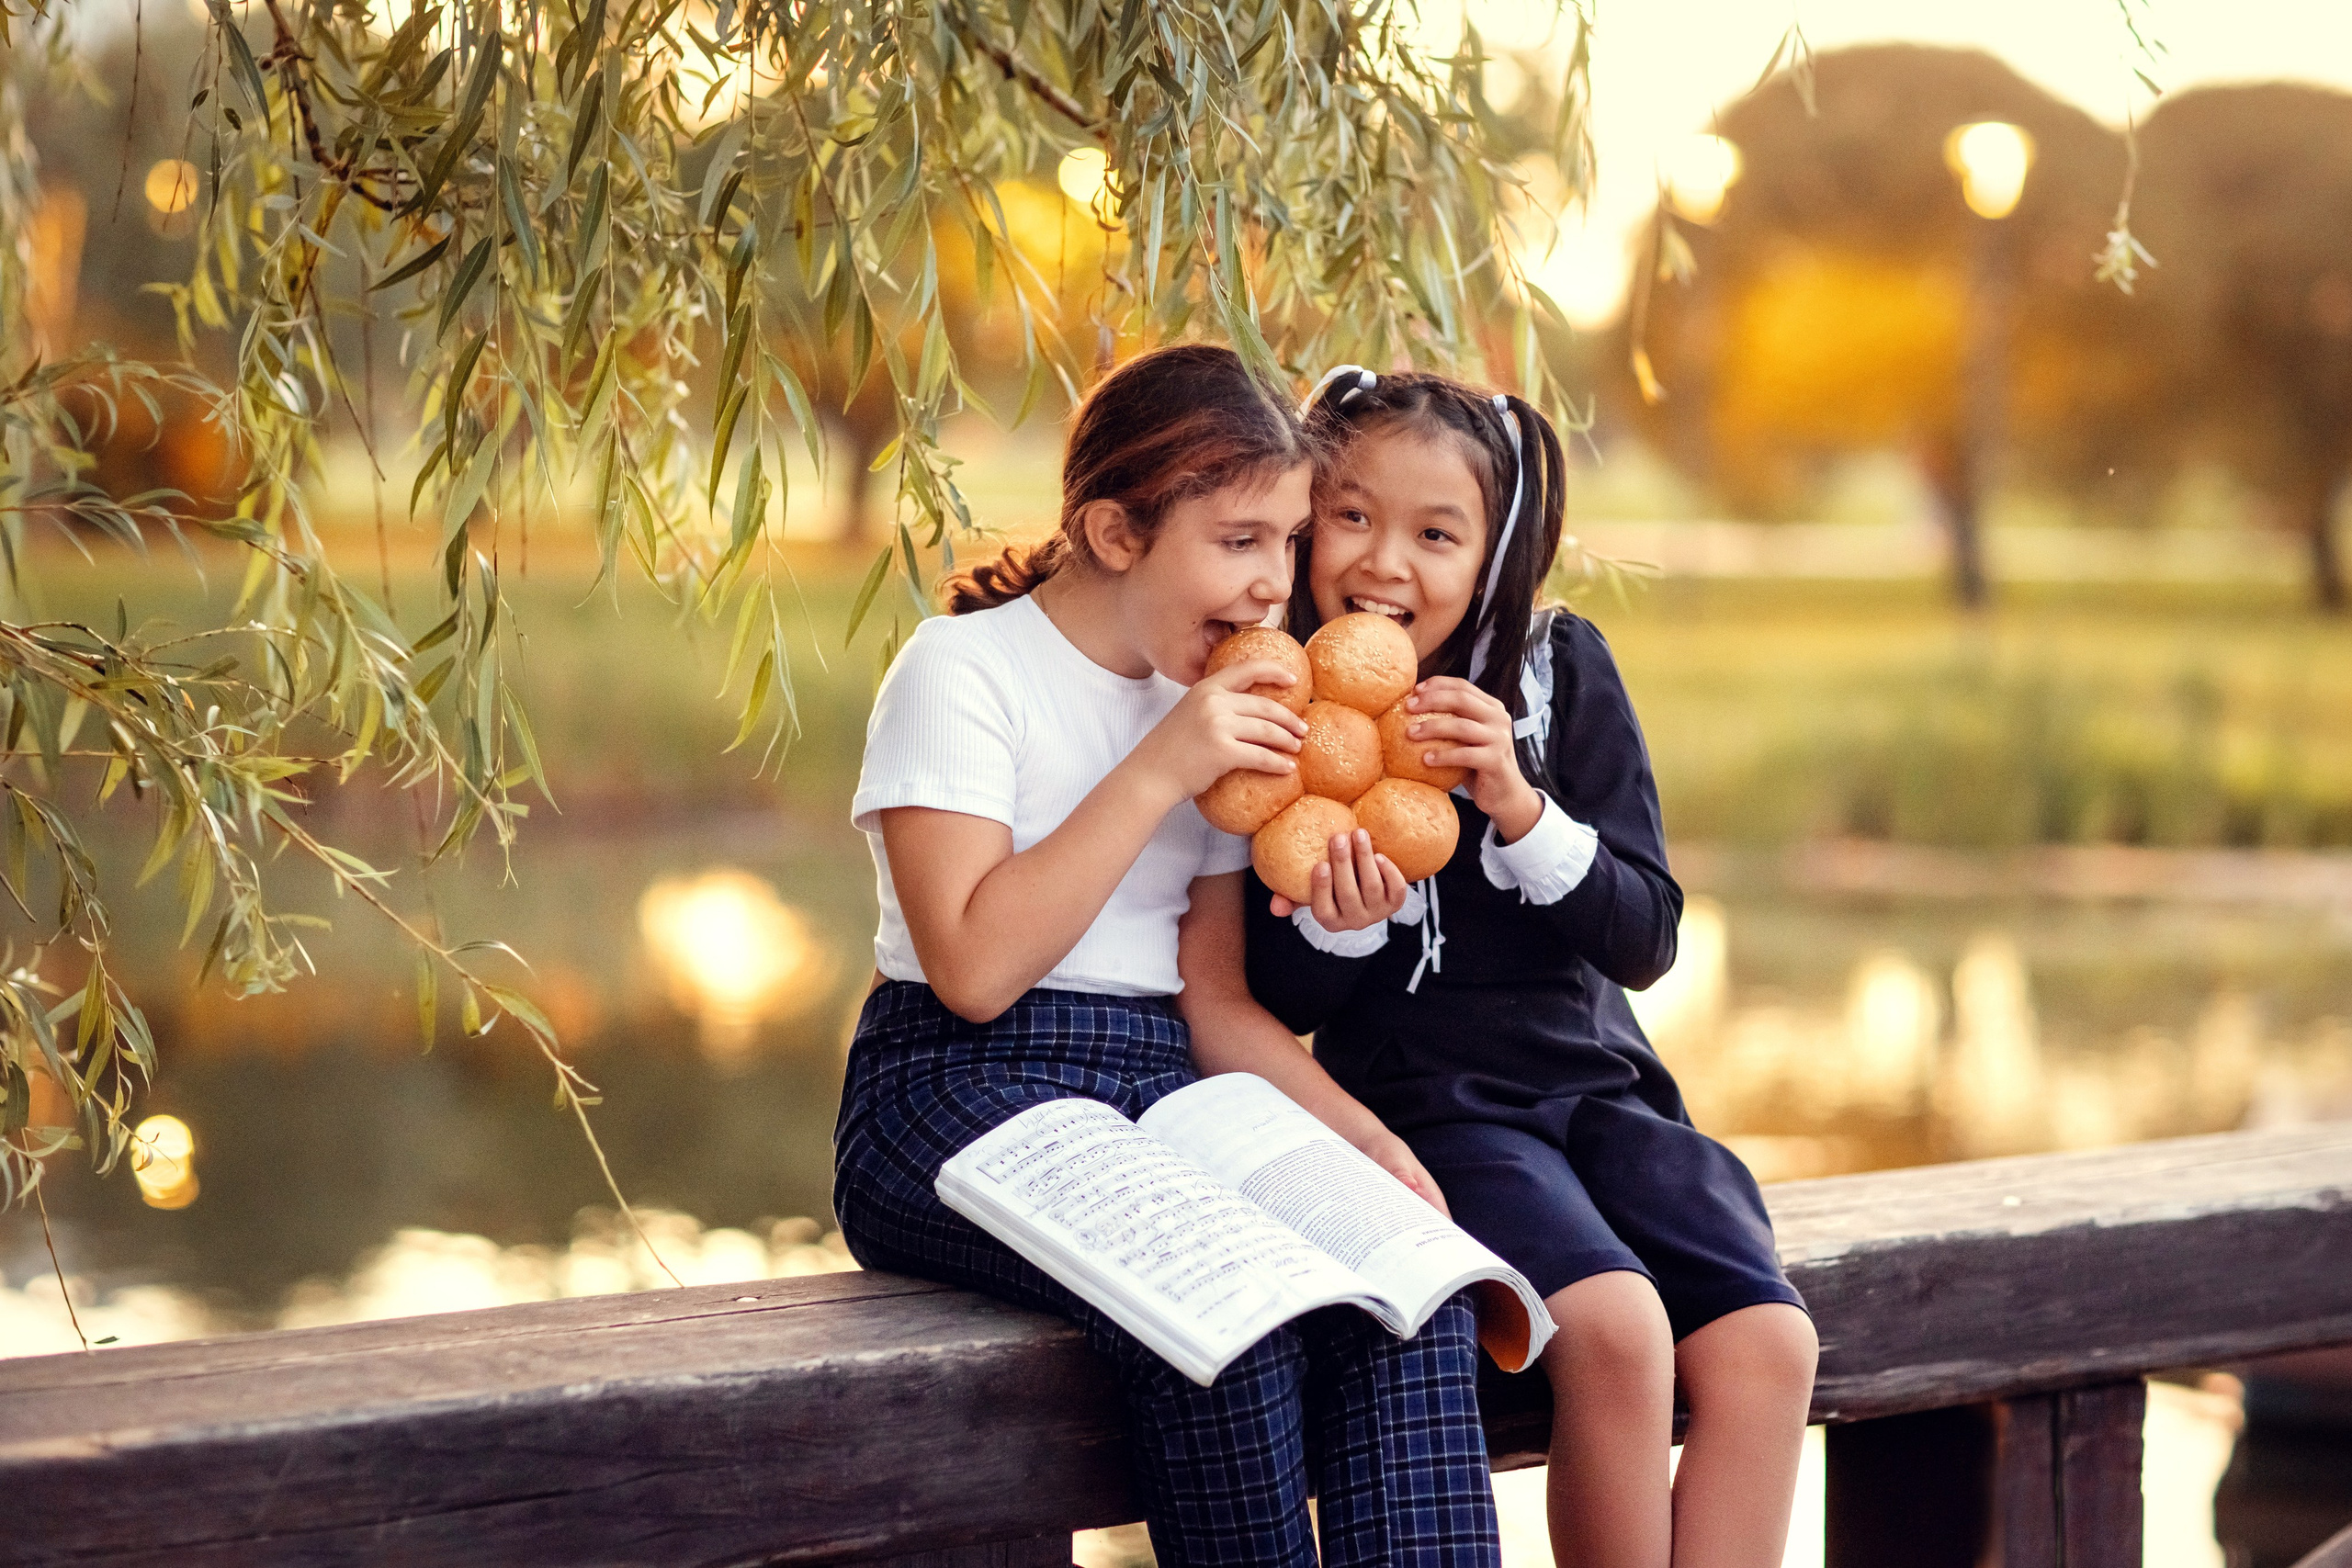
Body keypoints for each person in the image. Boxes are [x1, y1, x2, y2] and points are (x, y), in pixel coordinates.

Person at [832, 344, 1502, 1568]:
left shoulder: (1215, 713)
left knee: (1418, 1306)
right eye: (1240, 540)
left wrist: (1372, 1146)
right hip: (954, 1087)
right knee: (1231, 1322)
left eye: (1290, 543)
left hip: (1159, 1096)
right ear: (1113, 530)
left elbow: (1214, 1005)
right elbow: (977, 967)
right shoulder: (962, 672)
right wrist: (1162, 768)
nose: (1274, 588)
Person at [1244, 367, 1819, 1568]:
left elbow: (1648, 936)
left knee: (1770, 1348)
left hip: (1607, 1094)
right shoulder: (1291, 707)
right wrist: (1341, 916)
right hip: (1438, 1112)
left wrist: (1518, 803)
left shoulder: (1559, 675)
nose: (1383, 562)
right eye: (1351, 517)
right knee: (1615, 1329)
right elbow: (1278, 1000)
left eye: (1435, 533)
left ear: (1498, 550)